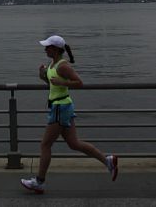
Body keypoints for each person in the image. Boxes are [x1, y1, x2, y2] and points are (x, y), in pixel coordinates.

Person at [21, 35, 118, 194]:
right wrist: (43, 77)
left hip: (60, 107)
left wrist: (62, 82)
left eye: (48, 47)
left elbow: (79, 83)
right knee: (74, 144)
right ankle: (108, 161)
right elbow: (54, 85)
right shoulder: (52, 64)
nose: (45, 49)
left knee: (45, 145)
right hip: (61, 106)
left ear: (56, 49)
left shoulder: (62, 66)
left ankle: (39, 182)